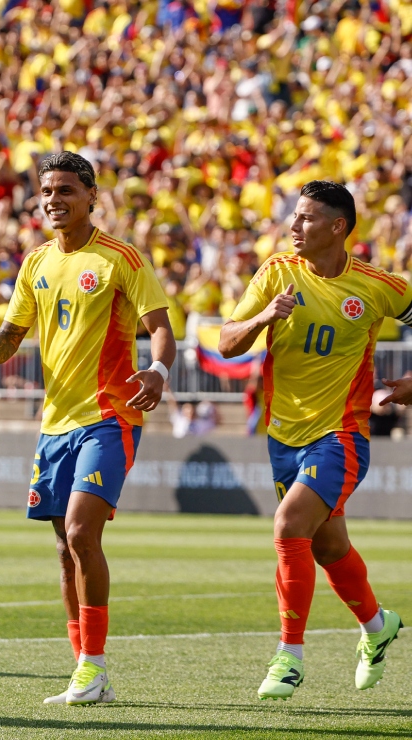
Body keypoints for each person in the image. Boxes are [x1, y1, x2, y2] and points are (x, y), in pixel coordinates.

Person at [0, 152, 175, 706]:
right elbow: (12, 330)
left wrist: (158, 368)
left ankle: (94, 666)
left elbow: (161, 328)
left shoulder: (120, 259)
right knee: (63, 548)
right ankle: (84, 667)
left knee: (81, 533)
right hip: (55, 423)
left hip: (109, 416)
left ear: (91, 196)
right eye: (46, 192)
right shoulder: (35, 263)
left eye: (65, 191)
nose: (54, 200)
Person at [220, 181, 406, 701]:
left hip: (341, 434)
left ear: (338, 227)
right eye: (293, 217)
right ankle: (377, 625)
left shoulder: (376, 286)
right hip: (283, 436)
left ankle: (289, 655)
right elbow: (226, 342)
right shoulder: (276, 272)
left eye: (305, 218)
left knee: (288, 525)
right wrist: (262, 317)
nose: (293, 227)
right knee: (327, 546)